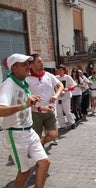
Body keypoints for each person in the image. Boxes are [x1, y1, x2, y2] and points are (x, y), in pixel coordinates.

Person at [0, 53, 50, 187]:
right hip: (14, 134)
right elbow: (1, 110)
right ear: (13, 68)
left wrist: (42, 108)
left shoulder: (23, 83)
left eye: (29, 63)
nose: (28, 66)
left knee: (44, 162)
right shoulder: (8, 85)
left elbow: (26, 107)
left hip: (29, 131)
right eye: (24, 64)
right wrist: (24, 105)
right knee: (24, 172)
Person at [27, 53, 64, 146]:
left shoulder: (48, 75)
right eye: (39, 61)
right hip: (35, 112)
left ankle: (41, 143)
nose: (42, 63)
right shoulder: (27, 79)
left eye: (42, 61)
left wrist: (56, 95)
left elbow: (60, 85)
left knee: (53, 134)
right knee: (36, 136)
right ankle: (38, 149)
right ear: (31, 65)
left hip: (50, 111)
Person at [56, 65, 76, 129]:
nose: (60, 71)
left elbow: (74, 84)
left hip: (66, 97)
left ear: (63, 70)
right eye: (58, 70)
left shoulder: (67, 77)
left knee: (67, 111)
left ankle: (72, 123)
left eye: (61, 70)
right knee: (59, 112)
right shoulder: (56, 77)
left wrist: (68, 88)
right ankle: (63, 125)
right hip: (58, 97)